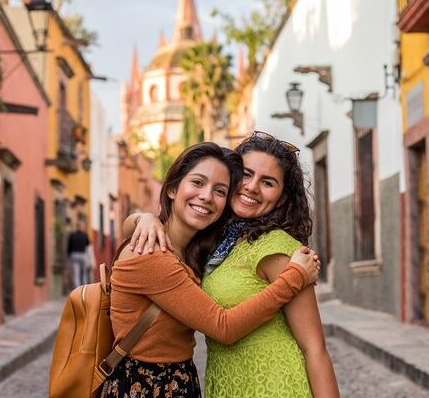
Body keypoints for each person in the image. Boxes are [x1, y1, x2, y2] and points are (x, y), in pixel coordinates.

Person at [126, 131, 339, 398]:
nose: (251, 187)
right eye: (246, 175)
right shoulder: (217, 239)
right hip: (228, 383)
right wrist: (143, 218)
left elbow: (315, 348)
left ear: (282, 197)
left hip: (275, 386)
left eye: (268, 182)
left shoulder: (277, 248)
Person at [67, 219, 90, 288]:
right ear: (82, 227)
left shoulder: (72, 235)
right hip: (82, 255)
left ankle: (77, 289)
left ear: (77, 227)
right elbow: (87, 245)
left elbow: (69, 246)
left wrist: (68, 255)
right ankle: (84, 289)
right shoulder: (85, 235)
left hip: (74, 255)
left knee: (76, 273)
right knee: (83, 273)